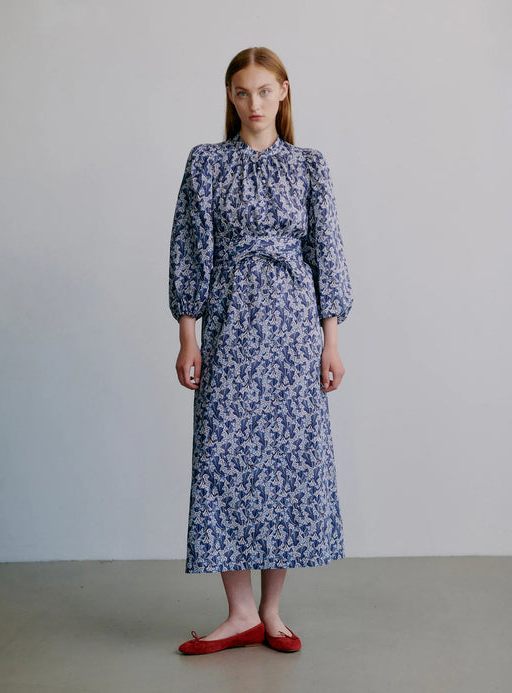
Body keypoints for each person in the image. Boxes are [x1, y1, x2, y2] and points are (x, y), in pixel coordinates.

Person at [168, 46, 354, 655]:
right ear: (230, 96)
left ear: (284, 92)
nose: (254, 103)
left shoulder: (309, 166)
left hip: (294, 332)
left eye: (265, 91)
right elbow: (190, 249)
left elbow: (327, 253)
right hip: (228, 328)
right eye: (243, 92)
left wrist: (331, 341)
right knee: (224, 459)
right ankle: (239, 613)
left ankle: (271, 612)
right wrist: (188, 335)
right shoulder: (206, 163)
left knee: (286, 463)